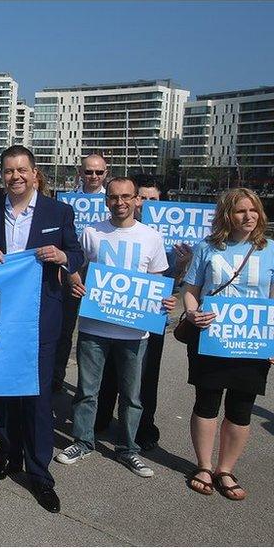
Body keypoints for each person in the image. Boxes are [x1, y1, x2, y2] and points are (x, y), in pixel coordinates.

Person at [0, 145, 83, 514]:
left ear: (35, 173)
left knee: (36, 398)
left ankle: (40, 474)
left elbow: (77, 254)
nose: (15, 176)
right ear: (1, 175)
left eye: (22, 170)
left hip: (41, 317)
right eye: (8, 171)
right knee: (3, 393)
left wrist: (63, 257)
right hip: (1, 318)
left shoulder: (58, 211)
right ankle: (8, 456)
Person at [181, 188, 274, 500]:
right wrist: (192, 314)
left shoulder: (273, 250)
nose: (248, 217)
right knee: (206, 402)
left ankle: (226, 469)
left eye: (253, 211)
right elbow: (191, 289)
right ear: (226, 216)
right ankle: (204, 465)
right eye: (240, 211)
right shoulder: (207, 247)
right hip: (212, 337)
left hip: (254, 341)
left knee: (241, 407)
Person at [55, 177, 175, 479]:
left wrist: (167, 302)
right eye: (113, 197)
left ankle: (128, 449)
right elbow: (76, 269)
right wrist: (75, 283)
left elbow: (159, 283)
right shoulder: (92, 232)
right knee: (86, 390)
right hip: (95, 327)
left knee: (132, 395)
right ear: (106, 200)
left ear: (137, 200)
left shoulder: (152, 237)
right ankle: (83, 441)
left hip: (135, 332)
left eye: (126, 197)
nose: (119, 203)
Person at [95, 180, 193, 451]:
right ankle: (101, 418)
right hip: (113, 310)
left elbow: (169, 280)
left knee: (146, 376)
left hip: (149, 315)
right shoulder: (117, 229)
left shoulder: (169, 236)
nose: (146, 204)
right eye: (144, 199)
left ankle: (142, 426)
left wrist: (183, 266)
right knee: (109, 372)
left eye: (153, 200)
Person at [53, 153, 110, 393]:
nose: (94, 176)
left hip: (103, 275)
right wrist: (69, 269)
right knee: (64, 330)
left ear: (106, 173)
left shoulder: (114, 200)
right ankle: (56, 379)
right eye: (89, 172)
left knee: (100, 335)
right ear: (80, 172)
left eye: (99, 172)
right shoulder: (66, 202)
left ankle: (97, 388)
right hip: (70, 271)